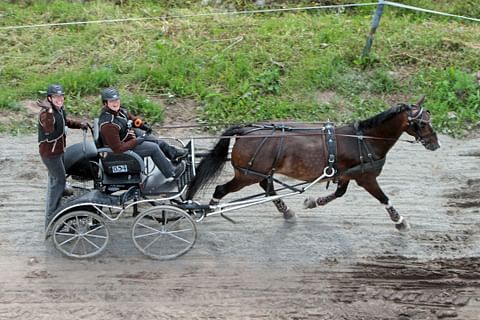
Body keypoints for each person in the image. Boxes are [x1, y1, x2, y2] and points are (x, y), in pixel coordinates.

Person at [98, 87, 187, 183]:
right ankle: (171, 172)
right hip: (122, 151)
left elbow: (132, 119)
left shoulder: (120, 111)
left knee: (153, 139)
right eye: (111, 101)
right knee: (153, 148)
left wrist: (143, 126)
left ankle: (172, 153)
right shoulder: (108, 125)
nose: (115, 103)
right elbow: (117, 148)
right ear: (105, 103)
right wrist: (137, 141)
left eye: (117, 100)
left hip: (128, 137)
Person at [38, 84, 89, 225]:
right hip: (50, 154)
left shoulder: (59, 110)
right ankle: (52, 215)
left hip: (58, 151)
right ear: (49, 98)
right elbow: (50, 133)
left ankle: (57, 201)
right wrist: (48, 112)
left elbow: (65, 122)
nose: (59, 99)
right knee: (59, 181)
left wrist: (80, 124)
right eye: (56, 97)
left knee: (57, 178)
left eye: (61, 96)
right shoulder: (46, 114)